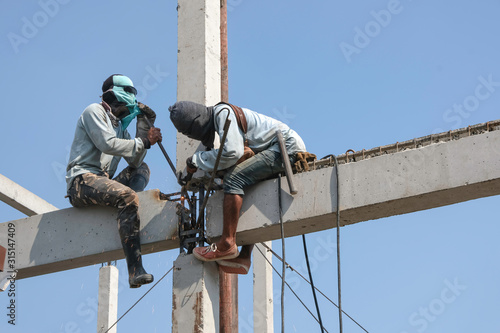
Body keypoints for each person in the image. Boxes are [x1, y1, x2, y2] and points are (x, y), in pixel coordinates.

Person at [169, 101, 306, 274]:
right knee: (247, 181)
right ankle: (245, 256)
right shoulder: (221, 117)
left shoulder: (222, 113)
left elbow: (232, 152)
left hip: (284, 147)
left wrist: (196, 159)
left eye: (190, 132)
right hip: (276, 148)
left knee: (234, 179)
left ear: (196, 122)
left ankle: (227, 243)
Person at [66, 74, 162, 288]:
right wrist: (144, 141)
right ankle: (135, 270)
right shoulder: (94, 112)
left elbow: (135, 160)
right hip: (82, 181)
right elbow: (107, 144)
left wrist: (144, 130)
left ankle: (131, 205)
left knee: (142, 169)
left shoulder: (121, 128)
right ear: (114, 94)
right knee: (127, 196)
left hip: (102, 181)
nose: (133, 99)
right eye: (130, 93)